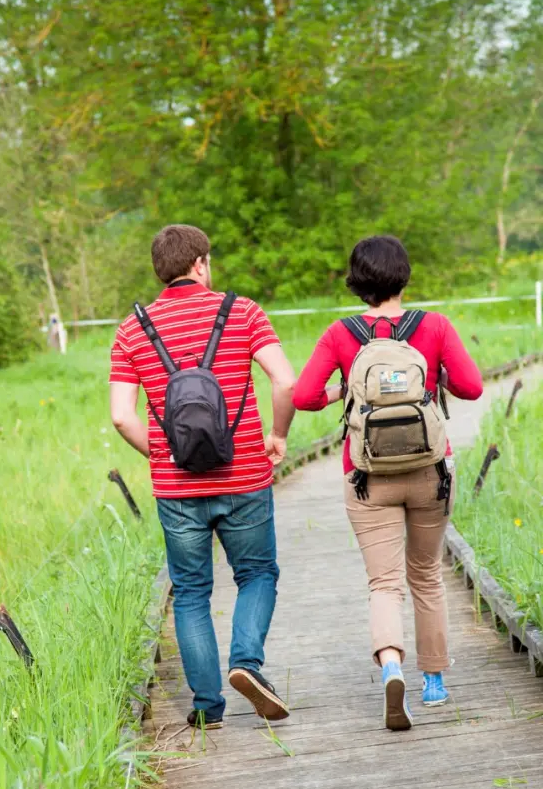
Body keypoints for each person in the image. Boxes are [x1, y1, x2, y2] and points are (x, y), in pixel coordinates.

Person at [109, 224, 296, 729]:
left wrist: (165, 454)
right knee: (257, 574)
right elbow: (285, 380)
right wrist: (277, 435)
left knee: (190, 591)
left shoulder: (132, 328)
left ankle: (207, 707)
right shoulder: (243, 311)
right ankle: (246, 663)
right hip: (245, 478)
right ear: (200, 264)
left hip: (177, 488)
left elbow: (122, 416)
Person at [293, 235, 483, 730]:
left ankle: (392, 664)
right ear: (404, 275)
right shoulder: (435, 326)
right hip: (429, 472)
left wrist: (344, 391)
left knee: (384, 582)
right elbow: (472, 386)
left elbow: (304, 395)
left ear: (357, 282)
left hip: (367, 478)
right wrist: (431, 377)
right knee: (426, 575)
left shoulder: (340, 333)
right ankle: (436, 681)